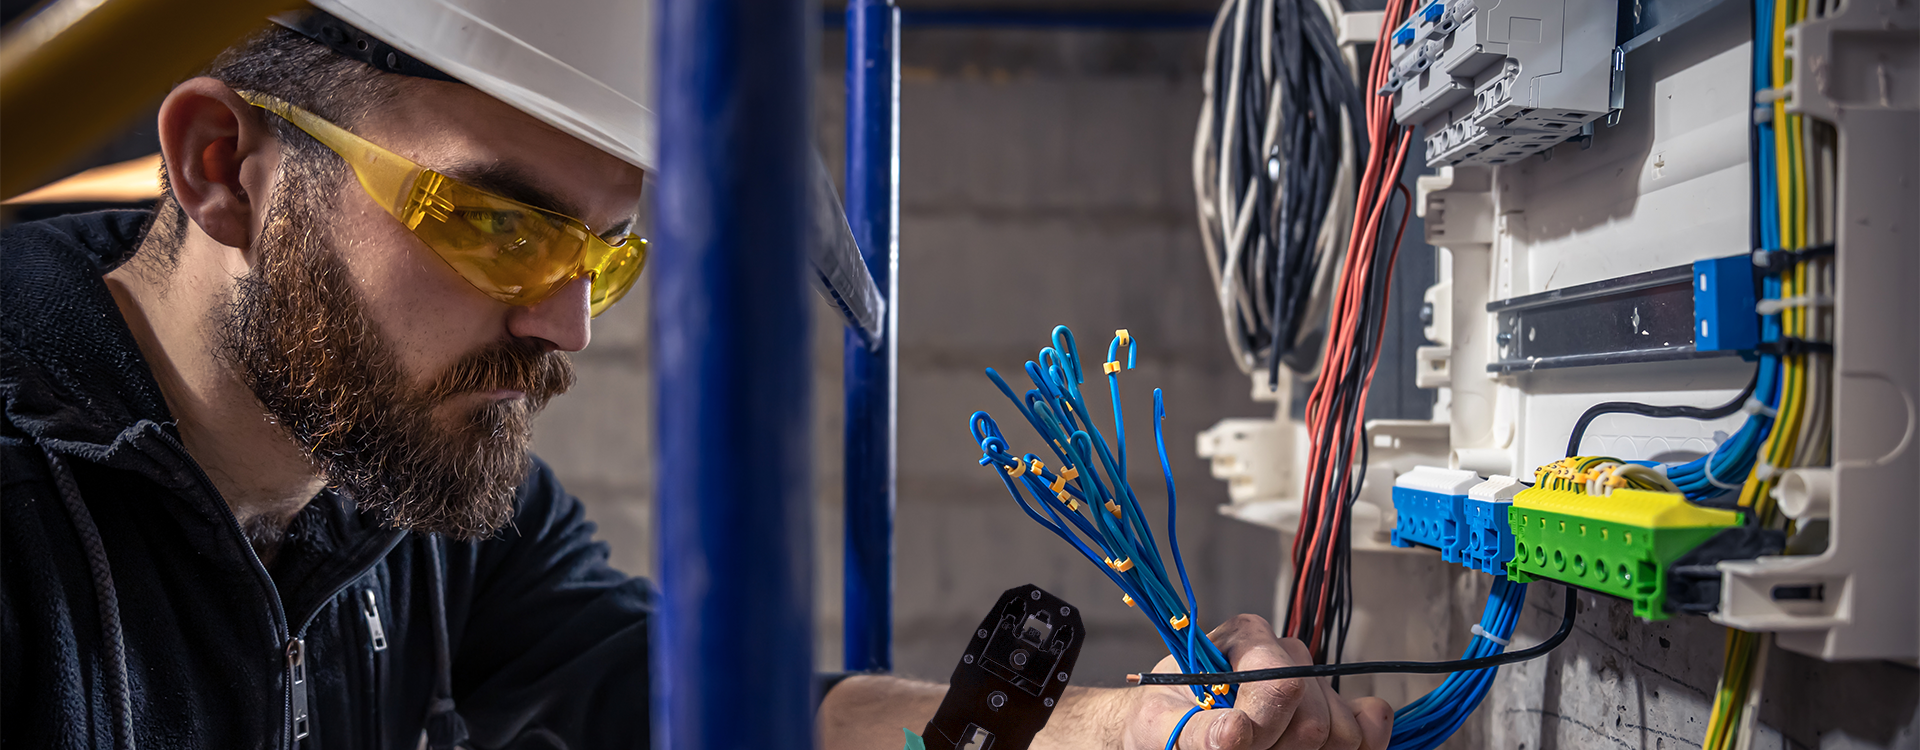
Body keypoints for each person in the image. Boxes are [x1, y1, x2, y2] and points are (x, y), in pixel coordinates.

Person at [0, 7, 1394, 750]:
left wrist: (1122, 734)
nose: (568, 323)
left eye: (608, 253)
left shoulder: (418, 510)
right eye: (494, 223)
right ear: (219, 167)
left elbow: (712, 706)